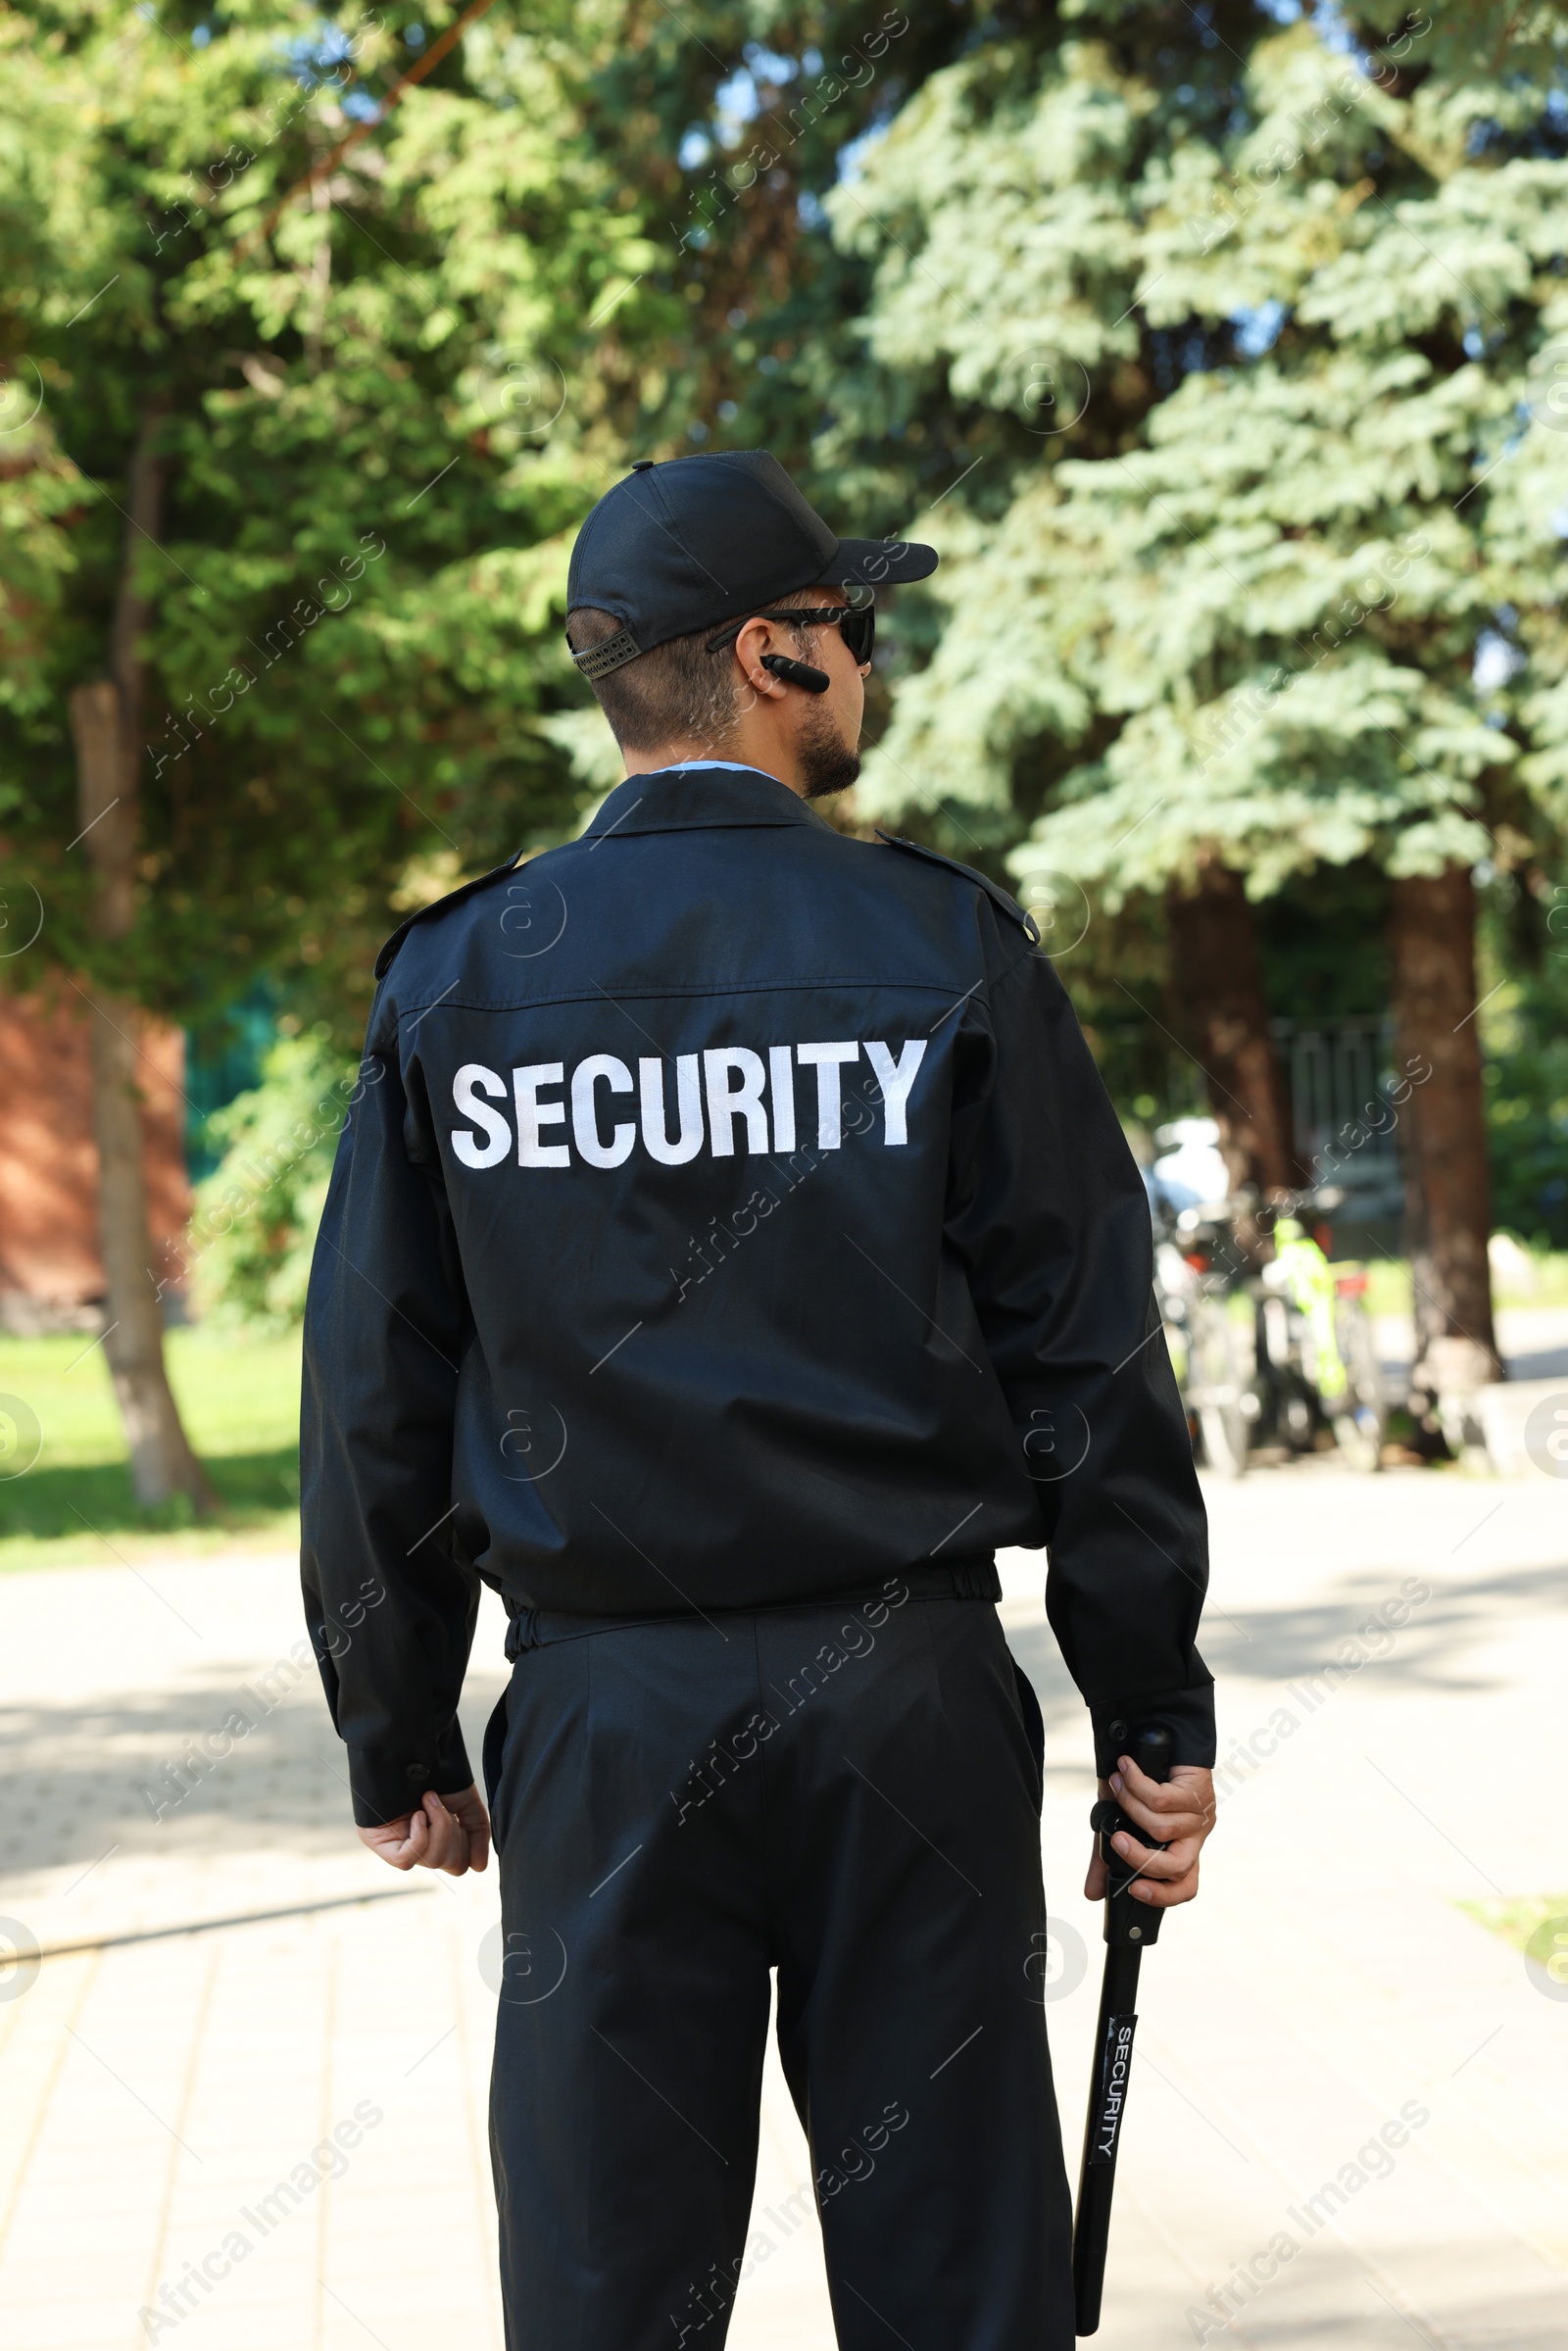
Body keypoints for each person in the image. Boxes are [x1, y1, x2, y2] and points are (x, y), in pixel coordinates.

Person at [300, 448, 1217, 2351]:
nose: (867, 669)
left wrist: (399, 1729)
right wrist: (1148, 1706)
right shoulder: (940, 946)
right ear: (774, 651)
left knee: (606, 2288)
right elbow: (1090, 1363)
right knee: (961, 2282)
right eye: (850, 630)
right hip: (907, 1708)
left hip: (603, 1726)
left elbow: (376, 1384)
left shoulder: (461, 982)